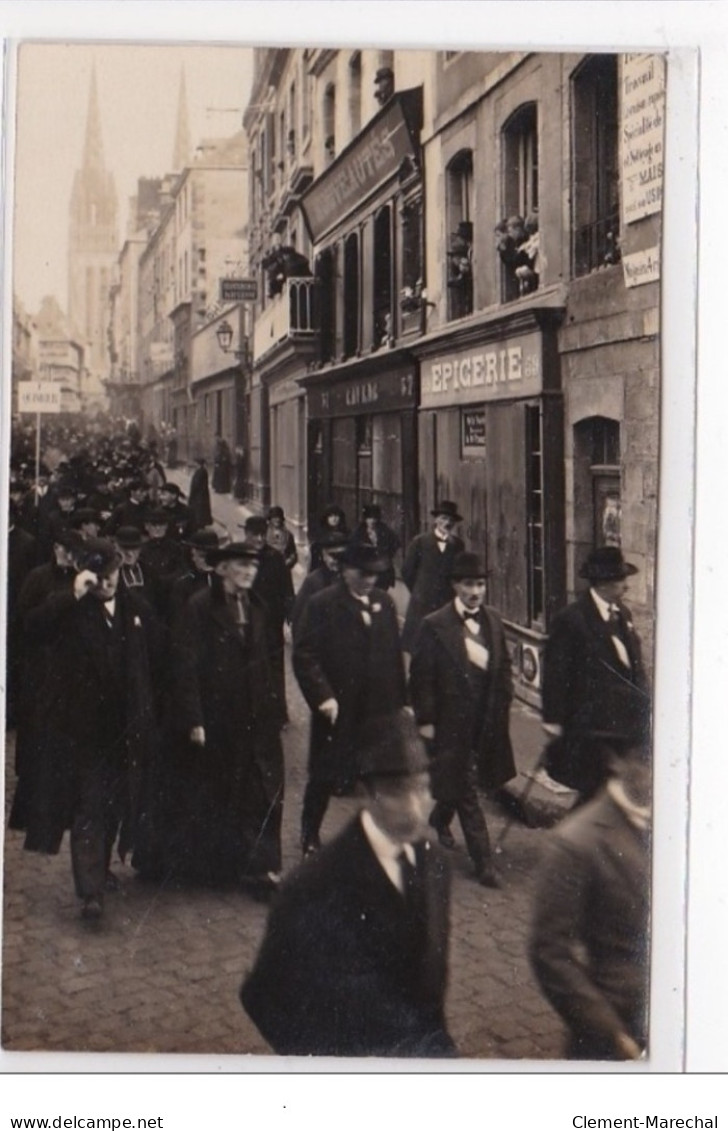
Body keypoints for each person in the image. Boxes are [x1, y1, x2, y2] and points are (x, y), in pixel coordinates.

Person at [240, 710, 456, 1058]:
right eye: (400, 793)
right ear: (367, 794)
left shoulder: (435, 864)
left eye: (423, 788)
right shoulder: (313, 886)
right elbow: (263, 998)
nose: (418, 808)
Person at [12, 539, 162, 921]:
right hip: (86, 733)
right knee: (91, 807)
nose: (106, 583)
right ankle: (90, 891)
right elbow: (31, 627)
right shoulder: (72, 611)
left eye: (111, 574)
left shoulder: (135, 609)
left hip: (126, 731)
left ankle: (102, 868)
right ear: (86, 576)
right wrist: (71, 595)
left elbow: (161, 656)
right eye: (98, 576)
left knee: (115, 806)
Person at [157, 542, 284, 893]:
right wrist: (194, 718)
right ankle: (219, 866)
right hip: (218, 718)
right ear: (222, 568)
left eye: (253, 567)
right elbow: (185, 666)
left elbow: (270, 661)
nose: (249, 572)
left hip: (255, 718)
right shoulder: (199, 608)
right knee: (221, 792)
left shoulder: (258, 607)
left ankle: (261, 868)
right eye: (241, 565)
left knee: (262, 789)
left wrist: (274, 707)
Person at [529, 729, 651, 1060]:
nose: (658, 774)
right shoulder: (577, 842)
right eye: (645, 761)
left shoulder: (679, 823)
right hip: (617, 1030)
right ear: (616, 760)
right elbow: (549, 952)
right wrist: (611, 1033)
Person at [293, 541, 407, 855]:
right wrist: (323, 697)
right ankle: (310, 832)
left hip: (377, 710)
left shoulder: (384, 604)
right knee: (325, 774)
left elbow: (394, 657)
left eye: (374, 574)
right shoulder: (322, 604)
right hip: (338, 708)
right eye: (363, 573)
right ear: (345, 571)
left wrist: (402, 702)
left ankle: (374, 839)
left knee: (375, 776)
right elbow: (304, 654)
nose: (369, 580)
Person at [409, 552, 514, 888]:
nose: (475, 591)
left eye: (480, 584)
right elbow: (421, 677)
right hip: (450, 722)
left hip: (485, 722)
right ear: (455, 586)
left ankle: (439, 820)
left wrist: (504, 705)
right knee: (468, 790)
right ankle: (484, 863)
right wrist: (426, 721)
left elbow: (505, 668)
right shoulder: (434, 625)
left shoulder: (494, 621)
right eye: (468, 584)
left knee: (459, 781)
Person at [541, 546, 651, 802]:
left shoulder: (623, 614)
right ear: (603, 583)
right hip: (592, 727)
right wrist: (553, 719)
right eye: (621, 579)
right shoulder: (572, 619)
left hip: (624, 724)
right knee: (597, 793)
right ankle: (570, 840)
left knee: (603, 795)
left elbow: (633, 666)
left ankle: (577, 839)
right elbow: (556, 673)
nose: (626, 585)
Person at [401, 501, 465, 653]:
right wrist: (419, 590)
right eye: (443, 518)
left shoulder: (457, 545)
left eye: (451, 520)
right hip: (422, 604)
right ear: (435, 520)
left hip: (446, 603)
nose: (447, 523)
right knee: (420, 648)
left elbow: (460, 573)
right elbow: (407, 571)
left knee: (445, 650)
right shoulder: (420, 542)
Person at [290, 529, 349, 640]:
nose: (336, 561)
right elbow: (299, 621)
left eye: (341, 556)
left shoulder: (351, 579)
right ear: (323, 555)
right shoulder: (313, 581)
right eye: (332, 556)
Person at [168, 528, 219, 623]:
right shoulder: (183, 585)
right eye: (202, 556)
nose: (207, 560)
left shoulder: (225, 582)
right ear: (193, 556)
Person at [350, 503, 400, 590]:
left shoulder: (384, 530)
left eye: (374, 518)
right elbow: (354, 550)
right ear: (365, 519)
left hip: (382, 570)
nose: (372, 521)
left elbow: (395, 543)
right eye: (369, 518)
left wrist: (387, 555)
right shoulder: (358, 533)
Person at [308, 503, 349, 572]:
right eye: (331, 516)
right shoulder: (320, 535)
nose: (334, 519)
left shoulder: (346, 534)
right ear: (326, 518)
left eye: (336, 515)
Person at [266, 505, 298, 572]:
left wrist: (288, 562)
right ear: (270, 519)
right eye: (275, 517)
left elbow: (293, 554)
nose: (277, 519)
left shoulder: (288, 535)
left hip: (283, 570)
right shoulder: (264, 533)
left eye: (279, 517)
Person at [187, 456, 213, 528]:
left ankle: (199, 524)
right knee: (200, 510)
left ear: (198, 464)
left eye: (195, 463)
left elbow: (196, 484)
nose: (194, 465)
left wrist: (192, 494)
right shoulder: (201, 471)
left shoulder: (201, 472)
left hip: (199, 495)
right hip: (201, 495)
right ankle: (200, 523)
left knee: (199, 510)